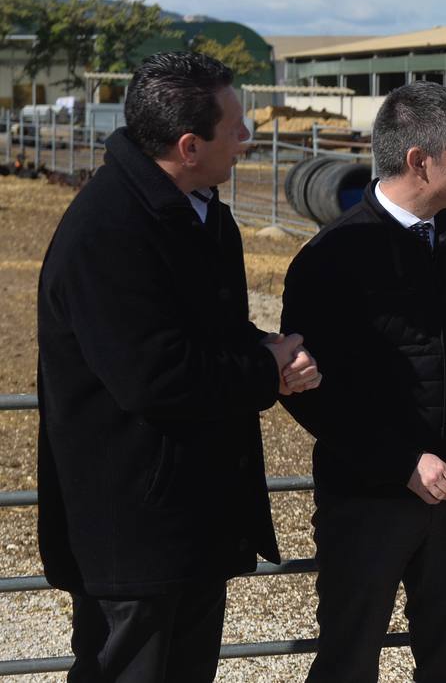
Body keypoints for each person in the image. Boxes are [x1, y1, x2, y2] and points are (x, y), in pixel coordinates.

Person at [36, 50, 318, 683]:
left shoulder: (198, 215)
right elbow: (154, 375)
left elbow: (203, 334)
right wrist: (262, 370)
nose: (248, 137)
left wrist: (267, 353)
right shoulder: (110, 231)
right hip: (133, 527)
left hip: (189, 513)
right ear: (189, 146)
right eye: (237, 125)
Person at [281, 81, 446, 683]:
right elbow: (313, 394)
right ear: (419, 160)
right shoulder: (332, 257)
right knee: (349, 658)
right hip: (368, 502)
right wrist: (402, 461)